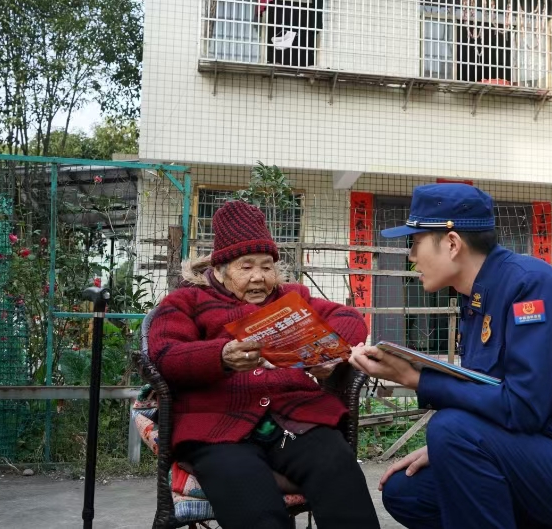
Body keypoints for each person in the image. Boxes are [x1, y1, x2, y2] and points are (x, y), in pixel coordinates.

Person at [350, 183, 552, 529]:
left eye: (414, 243)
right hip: (540, 456)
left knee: (451, 429)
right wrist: (455, 450)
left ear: (452, 243)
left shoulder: (530, 287)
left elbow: (523, 408)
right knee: (407, 492)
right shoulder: (476, 297)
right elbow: (487, 393)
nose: (411, 256)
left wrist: (415, 379)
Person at [149, 200, 380, 529]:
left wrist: (325, 352)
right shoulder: (187, 301)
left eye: (267, 266)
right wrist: (220, 356)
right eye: (246, 267)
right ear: (220, 269)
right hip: (219, 430)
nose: (259, 277)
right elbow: (165, 355)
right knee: (254, 505)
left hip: (293, 424)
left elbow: (349, 317)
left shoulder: (291, 298)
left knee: (336, 467)